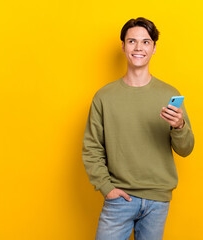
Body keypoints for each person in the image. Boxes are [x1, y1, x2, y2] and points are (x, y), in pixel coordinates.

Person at [82, 17, 195, 240]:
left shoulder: (168, 94)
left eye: (145, 42)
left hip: (157, 201)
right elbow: (92, 148)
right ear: (123, 46)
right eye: (132, 41)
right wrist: (107, 188)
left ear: (153, 48)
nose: (138, 47)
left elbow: (186, 149)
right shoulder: (104, 97)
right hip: (119, 199)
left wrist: (179, 126)